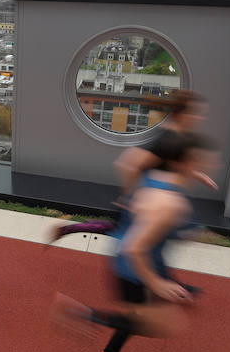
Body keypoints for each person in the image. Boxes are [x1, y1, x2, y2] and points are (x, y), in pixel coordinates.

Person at [51, 131, 215, 352]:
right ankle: (83, 316)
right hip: (133, 268)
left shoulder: (153, 177)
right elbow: (134, 248)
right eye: (200, 161)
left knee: (139, 317)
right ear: (180, 162)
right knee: (163, 324)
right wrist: (157, 282)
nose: (209, 165)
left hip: (137, 261)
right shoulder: (170, 203)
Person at [49, 90, 216, 243]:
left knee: (126, 233)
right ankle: (68, 229)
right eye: (196, 114)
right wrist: (130, 198)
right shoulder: (167, 139)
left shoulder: (178, 137)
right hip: (143, 200)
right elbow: (127, 164)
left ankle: (67, 229)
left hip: (153, 198)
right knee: (126, 235)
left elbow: (172, 165)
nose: (200, 118)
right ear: (183, 114)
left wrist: (198, 175)